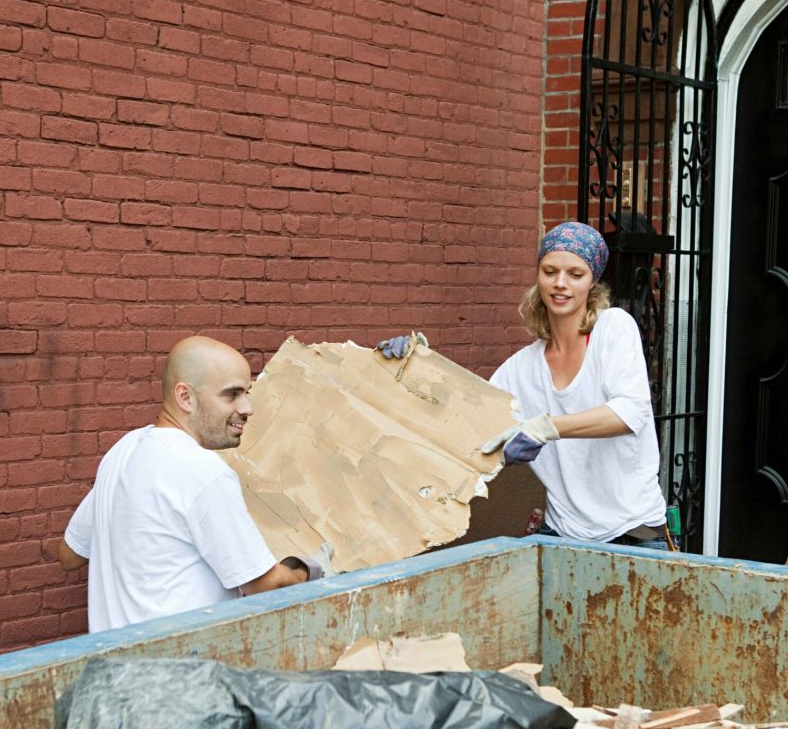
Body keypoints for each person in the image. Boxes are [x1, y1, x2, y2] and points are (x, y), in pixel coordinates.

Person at [378, 222, 669, 549]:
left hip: (634, 535)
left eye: (575, 274)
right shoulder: (520, 369)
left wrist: (546, 428)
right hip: (563, 538)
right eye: (550, 271)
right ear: (538, 276)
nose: (560, 284)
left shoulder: (613, 328)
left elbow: (630, 413)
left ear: (593, 283)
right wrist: (416, 367)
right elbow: (470, 420)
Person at [57, 336, 327, 631]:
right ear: (185, 397)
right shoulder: (202, 471)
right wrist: (307, 571)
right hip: (180, 672)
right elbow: (265, 587)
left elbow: (69, 555)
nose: (247, 407)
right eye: (232, 395)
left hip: (117, 670)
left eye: (246, 393)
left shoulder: (123, 451)